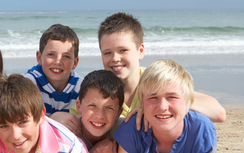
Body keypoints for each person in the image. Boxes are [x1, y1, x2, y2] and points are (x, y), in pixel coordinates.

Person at [59, 12, 226, 135]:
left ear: (140, 51)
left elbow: (218, 113)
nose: (115, 58)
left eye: (123, 50)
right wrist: (58, 117)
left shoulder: (156, 81)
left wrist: (151, 105)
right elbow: (74, 119)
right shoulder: (98, 89)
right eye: (107, 52)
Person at [74, 70, 124, 153]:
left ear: (118, 113)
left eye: (109, 108)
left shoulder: (124, 130)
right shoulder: (69, 134)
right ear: (79, 107)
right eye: (92, 105)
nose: (99, 115)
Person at [25, 24, 82, 116]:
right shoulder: (30, 84)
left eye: (66, 56)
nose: (58, 61)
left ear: (75, 63)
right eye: (51, 54)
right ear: (39, 57)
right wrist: (53, 119)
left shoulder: (81, 88)